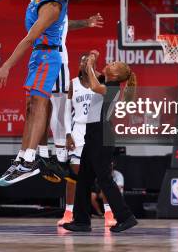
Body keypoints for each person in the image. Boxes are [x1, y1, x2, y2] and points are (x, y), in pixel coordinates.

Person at [0, 0, 88, 186]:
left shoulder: (53, 7)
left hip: (48, 56)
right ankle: (24, 157)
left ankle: (33, 157)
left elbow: (29, 38)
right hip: (41, 56)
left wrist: (6, 66)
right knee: (32, 106)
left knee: (41, 104)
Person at [22, 0, 103, 183]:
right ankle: (51, 159)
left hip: (55, 51)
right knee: (51, 105)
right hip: (50, 54)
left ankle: (49, 157)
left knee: (50, 104)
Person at [63, 54, 138, 233]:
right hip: (93, 134)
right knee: (83, 179)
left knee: (104, 179)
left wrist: (89, 64)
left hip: (101, 136)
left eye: (113, 64)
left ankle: (126, 217)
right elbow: (94, 75)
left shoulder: (112, 87)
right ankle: (81, 221)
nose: (109, 63)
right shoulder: (107, 80)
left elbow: (94, 85)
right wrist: (91, 61)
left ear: (116, 75)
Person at [58, 52, 104, 226]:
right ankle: (68, 213)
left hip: (96, 130)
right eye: (82, 61)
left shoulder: (101, 79)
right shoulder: (73, 84)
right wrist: (68, 134)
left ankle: (108, 214)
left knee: (103, 175)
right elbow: (66, 111)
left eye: (87, 60)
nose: (84, 63)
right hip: (78, 130)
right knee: (73, 177)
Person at [90, 161, 124, 226]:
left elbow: (119, 187)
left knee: (108, 193)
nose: (109, 167)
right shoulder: (101, 174)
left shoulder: (118, 174)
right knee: (92, 195)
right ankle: (100, 214)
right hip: (103, 192)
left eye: (111, 166)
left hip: (116, 192)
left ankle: (111, 214)